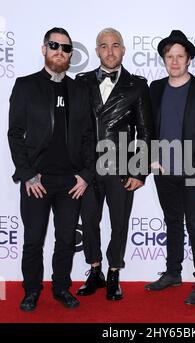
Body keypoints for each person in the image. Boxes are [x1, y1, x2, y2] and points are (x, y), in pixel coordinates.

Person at [8, 27, 95, 311]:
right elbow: (15, 133)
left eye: (66, 48)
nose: (60, 51)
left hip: (70, 181)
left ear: (71, 55)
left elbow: (89, 138)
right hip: (37, 180)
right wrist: (27, 173)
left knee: (66, 239)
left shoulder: (79, 90)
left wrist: (85, 174)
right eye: (54, 45)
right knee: (33, 239)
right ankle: (31, 290)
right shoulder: (25, 85)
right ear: (44, 48)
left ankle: (61, 288)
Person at [144, 30, 195, 305]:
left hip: (194, 171)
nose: (174, 62)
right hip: (164, 172)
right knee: (172, 222)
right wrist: (150, 157)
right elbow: (148, 127)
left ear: (188, 59)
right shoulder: (155, 88)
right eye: (169, 56)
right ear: (164, 60)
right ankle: (173, 273)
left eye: (180, 56)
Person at [76, 28, 152, 300]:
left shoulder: (137, 85)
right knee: (89, 220)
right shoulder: (80, 81)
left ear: (123, 49)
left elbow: (145, 132)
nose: (110, 51)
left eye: (115, 45)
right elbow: (72, 127)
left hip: (120, 166)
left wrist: (139, 170)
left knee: (119, 222)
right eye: (104, 46)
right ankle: (95, 270)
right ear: (96, 51)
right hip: (86, 167)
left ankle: (114, 273)